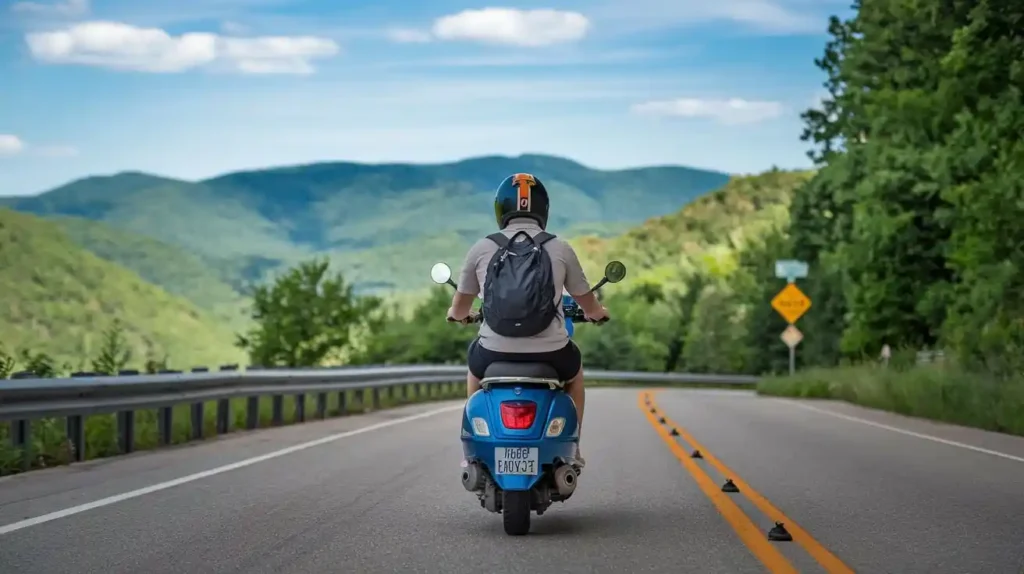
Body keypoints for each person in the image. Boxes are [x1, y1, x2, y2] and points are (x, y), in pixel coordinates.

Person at [445, 173, 609, 466]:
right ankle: (574, 450)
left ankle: (472, 453)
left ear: (501, 209)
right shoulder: (560, 248)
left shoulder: (481, 248)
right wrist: (598, 314)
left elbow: (458, 310)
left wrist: (459, 316)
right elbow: (588, 302)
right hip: (552, 353)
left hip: (493, 352)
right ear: (543, 208)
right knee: (575, 374)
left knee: (474, 368)